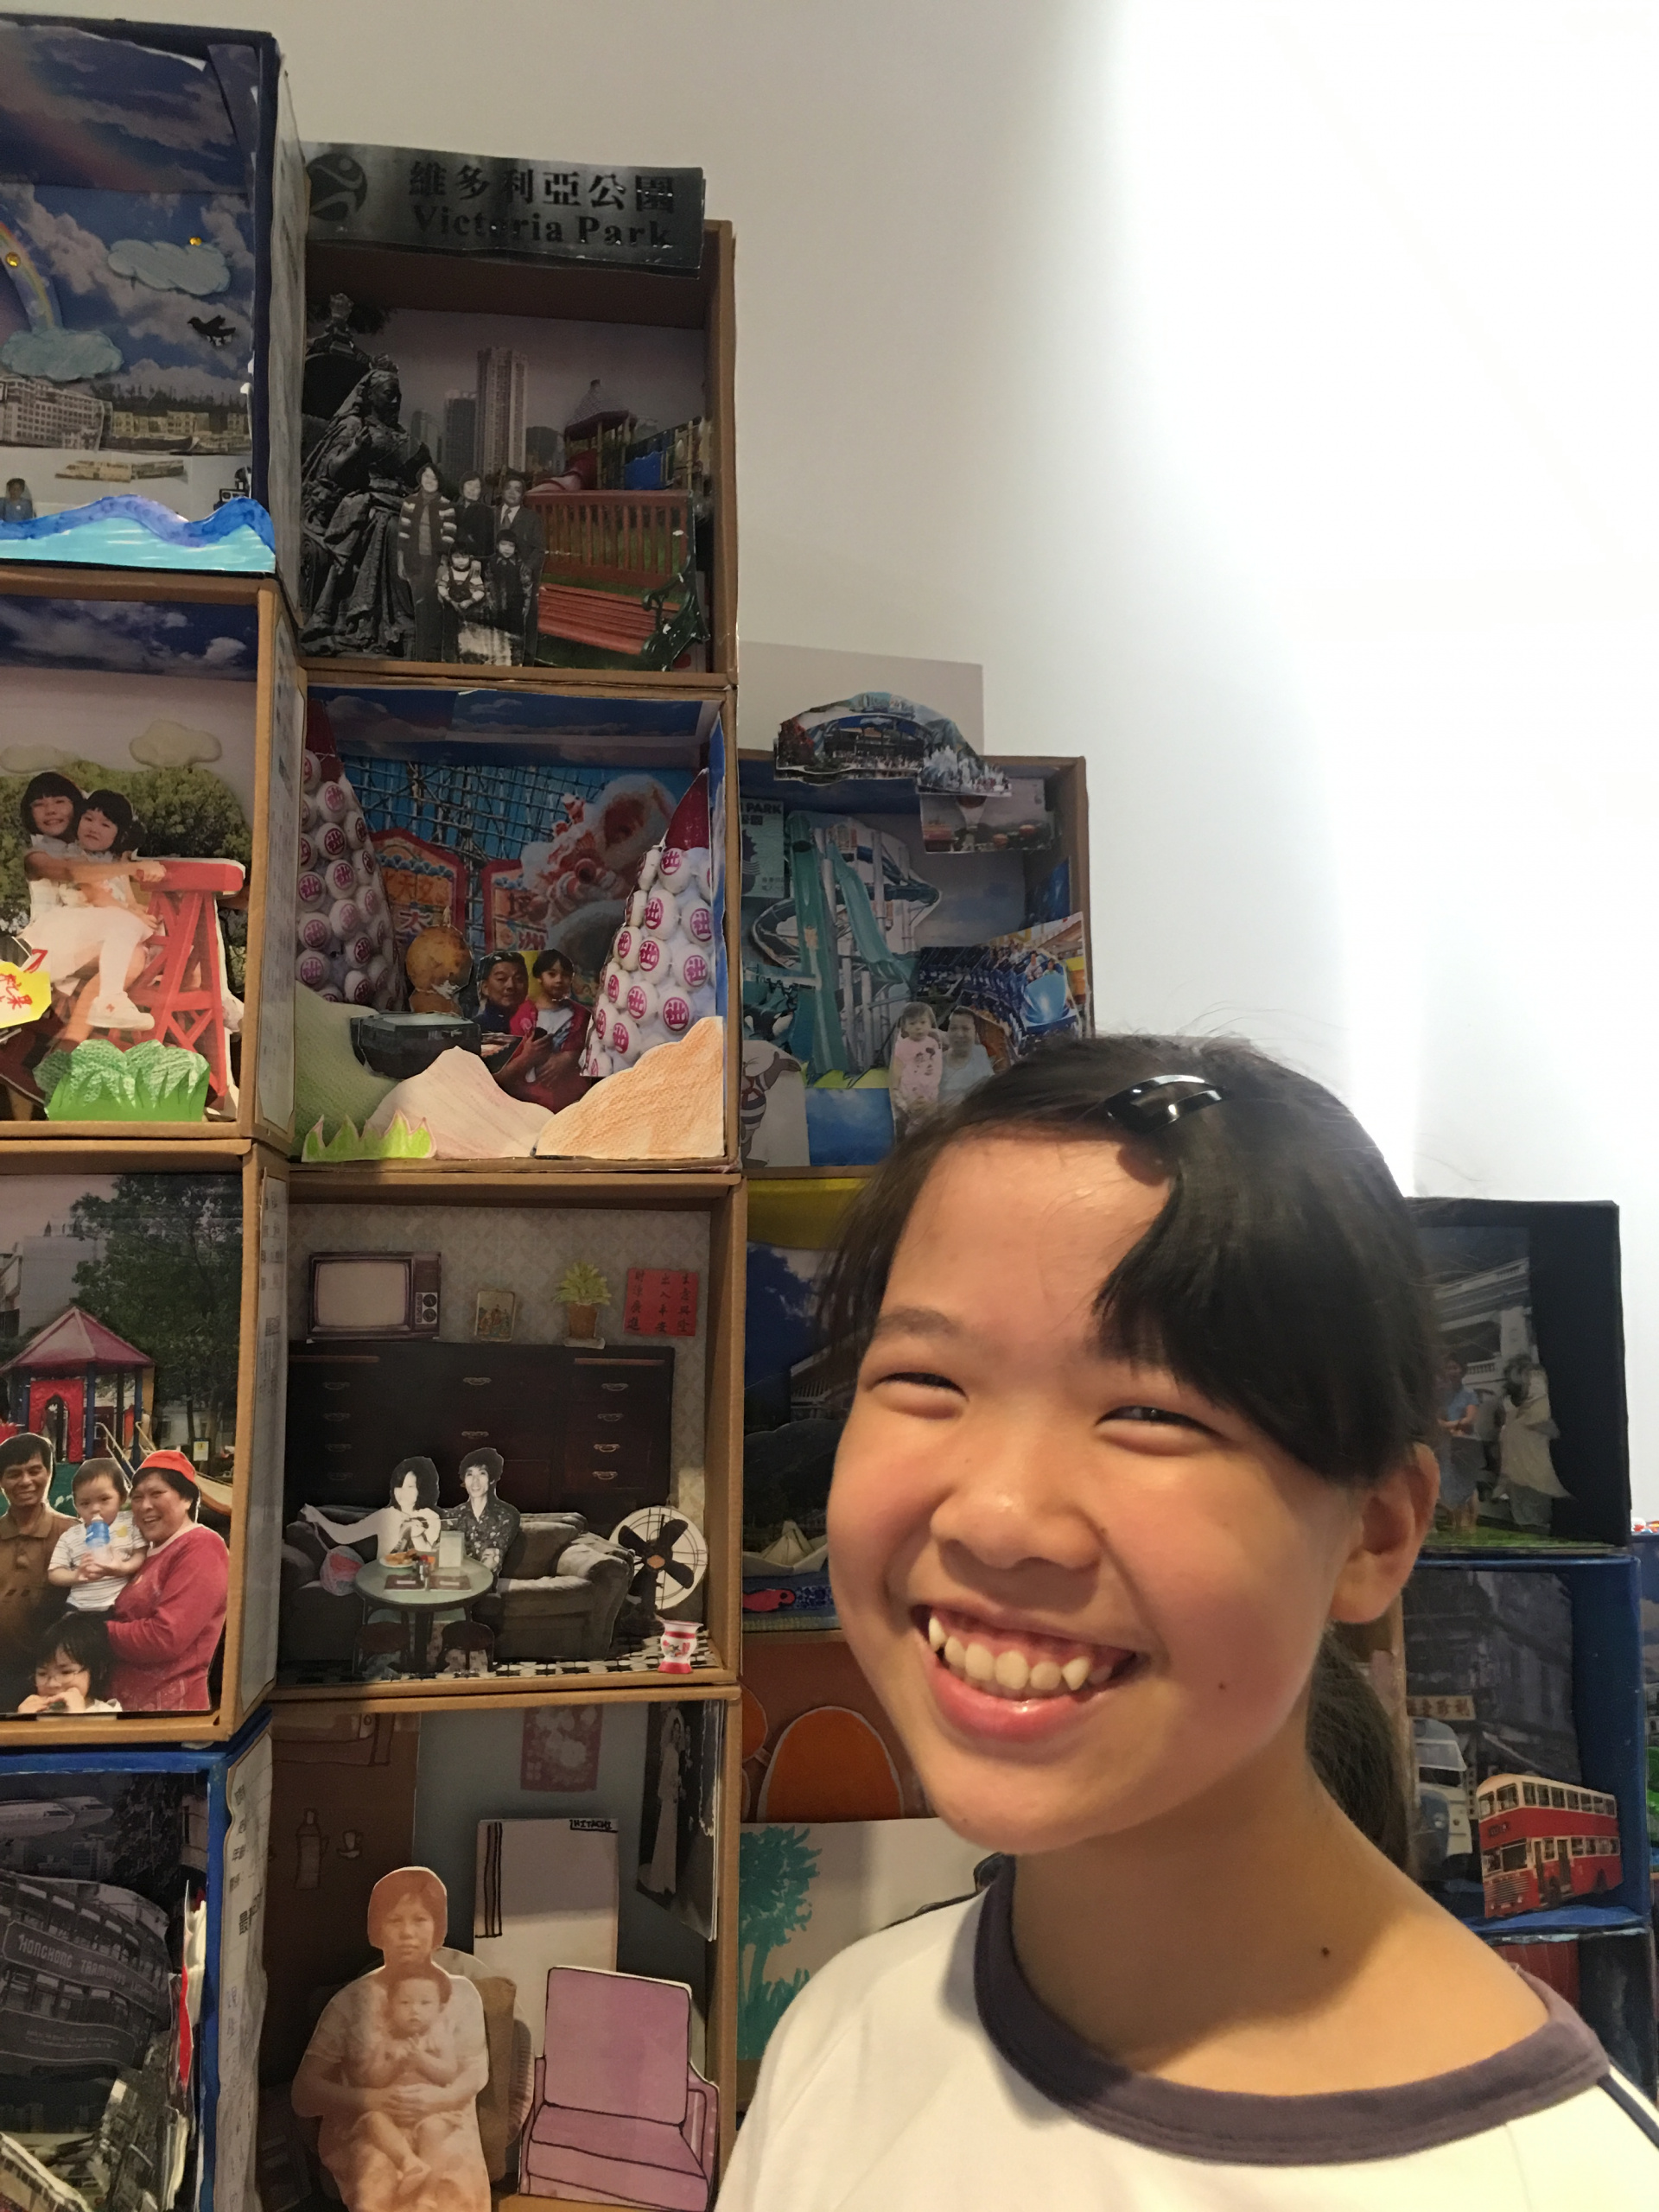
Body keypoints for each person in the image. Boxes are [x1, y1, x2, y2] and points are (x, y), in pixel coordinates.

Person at [719, 1037, 1659, 2208]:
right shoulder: (844, 2036)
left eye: (1153, 1414)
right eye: (927, 1381)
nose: (997, 1518)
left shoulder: (1561, 2182)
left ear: (1373, 1534)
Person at [294, 1866, 490, 2212]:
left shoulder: (462, 1995)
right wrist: (372, 2099)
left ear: (437, 1927)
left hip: (443, 2121)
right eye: (395, 1920)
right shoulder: (349, 2003)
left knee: (455, 2184)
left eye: (420, 1920)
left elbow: (475, 2074)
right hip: (370, 2127)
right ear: (377, 1929)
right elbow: (304, 2095)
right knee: (378, 2179)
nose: (408, 1933)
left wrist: (437, 2100)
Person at [21, 786, 163, 1038]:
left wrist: (144, 914)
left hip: (103, 931)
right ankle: (109, 1001)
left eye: (105, 825)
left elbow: (130, 903)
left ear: (118, 834)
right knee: (127, 925)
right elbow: (95, 894)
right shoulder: (75, 856)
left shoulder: (115, 864)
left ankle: (213, 994)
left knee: (152, 933)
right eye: (88, 819)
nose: (93, 828)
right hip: (72, 931)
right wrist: (134, 915)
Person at [105, 1452, 229, 1713]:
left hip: (170, 1714)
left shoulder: (202, 1546)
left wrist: (96, 1632)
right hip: (124, 1712)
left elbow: (166, 1637)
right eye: (137, 1497)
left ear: (187, 1498)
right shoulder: (143, 1554)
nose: (145, 1506)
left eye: (156, 1494)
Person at [327, 1967, 465, 2198]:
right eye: (405, 2003)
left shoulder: (439, 2038)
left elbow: (448, 2074)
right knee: (372, 2120)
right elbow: (374, 2080)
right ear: (390, 2007)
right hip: (392, 2112)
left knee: (433, 2132)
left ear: (440, 2008)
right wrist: (394, 2066)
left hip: (431, 2112)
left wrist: (422, 2061)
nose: (414, 2010)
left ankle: (427, 2197)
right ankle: (409, 2162)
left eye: (425, 2003)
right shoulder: (386, 2040)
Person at [0, 1434, 72, 1705]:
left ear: (50, 1473)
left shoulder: (71, 1534)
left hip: (53, 1677)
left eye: (34, 1471)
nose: (25, 1481)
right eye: (13, 1474)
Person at [48, 1458, 147, 1611]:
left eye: (104, 1499)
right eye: (85, 1503)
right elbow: (54, 1573)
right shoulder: (71, 1536)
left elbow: (140, 1554)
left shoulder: (129, 1522)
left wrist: (123, 1568)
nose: (95, 1508)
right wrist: (77, 1575)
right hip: (79, 1607)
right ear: (76, 1505)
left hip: (119, 1605)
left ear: (121, 1497)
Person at [302, 1458, 442, 1563]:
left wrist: (418, 1536)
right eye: (399, 1486)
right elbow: (344, 1535)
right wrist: (318, 1517)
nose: (402, 1492)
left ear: (423, 1489)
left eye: (410, 1487)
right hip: (385, 1580)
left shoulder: (430, 1518)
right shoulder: (386, 1515)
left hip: (419, 1580)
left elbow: (430, 1559)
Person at [1491, 1353, 1567, 1535]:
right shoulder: (1517, 1409)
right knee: (1530, 1522)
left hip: (1529, 1476)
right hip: (1525, 1476)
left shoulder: (1520, 1408)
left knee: (1531, 1522)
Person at [397, 465, 456, 662]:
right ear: (421, 478)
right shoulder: (410, 502)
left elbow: (449, 539)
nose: (430, 481)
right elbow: (403, 535)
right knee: (418, 608)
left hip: (434, 563)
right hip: (413, 562)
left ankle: (432, 655)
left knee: (432, 608)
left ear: (439, 482)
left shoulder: (446, 506)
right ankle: (421, 656)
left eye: (434, 478)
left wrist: (443, 564)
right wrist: (400, 563)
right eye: (426, 477)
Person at [16, 1612, 119, 1715]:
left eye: (66, 1672)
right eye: (42, 1674)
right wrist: (22, 1719)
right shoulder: (34, 1711)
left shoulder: (108, 1713)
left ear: (97, 1671)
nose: (52, 1684)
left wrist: (78, 1714)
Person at [440, 1448, 518, 1572]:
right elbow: (447, 1558)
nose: (475, 1481)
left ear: (491, 1479)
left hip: (485, 1581)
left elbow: (493, 1558)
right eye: (470, 1474)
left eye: (482, 1473)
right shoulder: (453, 1515)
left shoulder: (506, 1515)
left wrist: (473, 1577)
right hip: (455, 1579)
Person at [493, 474, 544, 664]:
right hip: (497, 576)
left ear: (523, 495)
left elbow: (539, 550)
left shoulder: (531, 518)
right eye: (509, 488)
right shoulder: (493, 515)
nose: (512, 493)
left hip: (521, 579)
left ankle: (525, 661)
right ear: (502, 491)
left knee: (526, 619)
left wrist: (527, 567)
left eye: (518, 490)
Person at [1435, 1353, 1484, 1536]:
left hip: (1466, 1443)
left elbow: (1470, 1419)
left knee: (1468, 1485)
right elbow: (1437, 1419)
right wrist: (1454, 1426)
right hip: (1447, 1443)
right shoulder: (1442, 1395)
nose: (1452, 1371)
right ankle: (1457, 1522)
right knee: (1450, 1481)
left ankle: (1471, 1524)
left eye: (1455, 1367)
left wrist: (1450, 1425)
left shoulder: (1469, 1394)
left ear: (1462, 1370)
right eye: (1449, 1368)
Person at [888, 1001, 944, 1137]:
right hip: (911, 1092)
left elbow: (937, 1064)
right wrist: (900, 1097)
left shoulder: (933, 1042)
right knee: (914, 1123)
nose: (918, 1027)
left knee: (932, 1122)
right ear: (905, 1027)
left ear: (930, 1023)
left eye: (923, 1022)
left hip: (931, 1090)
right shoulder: (902, 1046)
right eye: (912, 1023)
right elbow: (896, 1072)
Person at [937, 1007, 995, 1107]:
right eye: (953, 1028)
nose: (959, 1034)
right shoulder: (937, 1064)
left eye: (965, 1029)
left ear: (976, 1033)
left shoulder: (980, 1052)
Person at [474, 952, 528, 1058]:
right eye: (501, 979)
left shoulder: (537, 1026)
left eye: (519, 979)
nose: (511, 985)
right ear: (485, 988)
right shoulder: (473, 1031)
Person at [452, 474, 493, 562]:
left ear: (481, 491)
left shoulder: (487, 512)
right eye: (469, 484)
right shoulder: (453, 509)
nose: (472, 489)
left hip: (476, 560)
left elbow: (486, 543)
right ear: (462, 486)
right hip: (453, 558)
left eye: (477, 487)